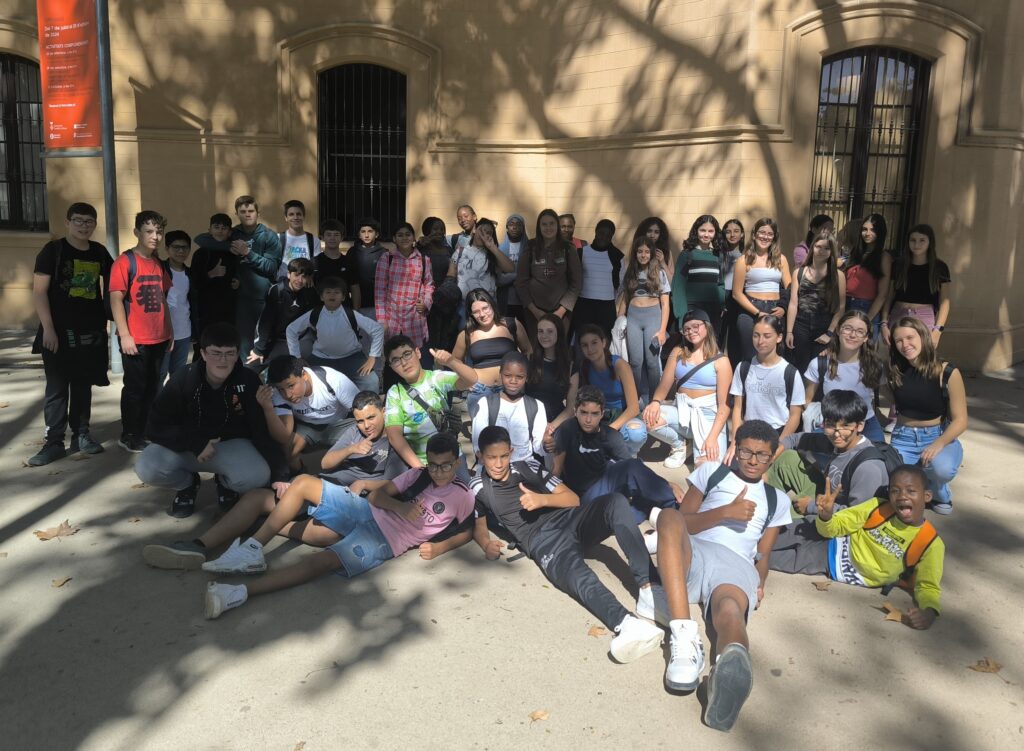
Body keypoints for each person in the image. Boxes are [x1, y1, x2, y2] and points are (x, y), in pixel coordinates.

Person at [197, 433, 475, 619]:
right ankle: (253, 549)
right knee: (303, 483)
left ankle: (239, 592)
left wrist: (439, 548)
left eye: (446, 466)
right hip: (367, 510)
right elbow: (377, 496)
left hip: (385, 541)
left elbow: (468, 530)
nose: (438, 472)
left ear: (457, 463)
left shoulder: (462, 495)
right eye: (433, 465)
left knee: (322, 562)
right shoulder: (418, 474)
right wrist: (400, 507)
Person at [471, 426, 665, 662]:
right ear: (480, 456)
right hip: (543, 542)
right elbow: (479, 522)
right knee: (578, 577)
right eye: (491, 457)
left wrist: (542, 500)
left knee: (615, 502)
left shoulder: (528, 467)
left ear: (511, 452)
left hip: (569, 520)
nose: (499, 464)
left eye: (503, 456)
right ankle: (627, 624)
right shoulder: (477, 486)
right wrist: (485, 544)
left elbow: (572, 499)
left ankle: (650, 589)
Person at [651, 420, 792, 731]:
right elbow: (682, 522)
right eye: (746, 452)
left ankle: (728, 674)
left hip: (736, 564)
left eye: (762, 455)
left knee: (729, 610)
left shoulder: (777, 500)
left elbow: (763, 554)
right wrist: (725, 513)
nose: (753, 460)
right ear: (735, 449)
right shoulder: (712, 472)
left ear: (772, 457)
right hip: (695, 551)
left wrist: (760, 583)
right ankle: (683, 634)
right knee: (669, 516)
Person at [135, 323, 288, 518]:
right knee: (147, 467)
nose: (223, 360)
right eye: (216, 353)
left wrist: (280, 474)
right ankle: (187, 485)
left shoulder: (248, 380)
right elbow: (154, 426)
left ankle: (225, 484)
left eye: (229, 353)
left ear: (237, 355)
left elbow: (260, 429)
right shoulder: (183, 378)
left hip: (230, 445)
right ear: (203, 353)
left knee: (257, 476)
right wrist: (195, 443)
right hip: (188, 446)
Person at [767, 465, 943, 630]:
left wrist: (929, 612)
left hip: (830, 563)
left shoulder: (929, 542)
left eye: (911, 491)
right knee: (773, 532)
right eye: (895, 491)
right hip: (829, 536)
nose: (902, 496)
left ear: (927, 496)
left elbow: (928, 586)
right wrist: (826, 517)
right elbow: (837, 526)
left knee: (766, 558)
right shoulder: (878, 507)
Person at [28, 202, 112, 466]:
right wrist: (48, 329)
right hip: (58, 333)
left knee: (83, 386)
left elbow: (115, 284)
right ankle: (53, 442)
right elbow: (39, 292)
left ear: (94, 225)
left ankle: (81, 435)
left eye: (89, 221)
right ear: (67, 222)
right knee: (57, 388)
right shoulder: (53, 251)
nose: (83, 226)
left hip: (90, 332)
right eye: (78, 220)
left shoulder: (99, 252)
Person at [551, 386, 678, 524]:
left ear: (602, 413)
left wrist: (667, 484)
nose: (588, 419)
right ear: (575, 411)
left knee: (632, 468)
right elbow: (556, 471)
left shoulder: (609, 435)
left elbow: (635, 470)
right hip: (581, 497)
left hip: (605, 487)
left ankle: (674, 508)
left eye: (594, 414)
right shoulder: (567, 429)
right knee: (616, 511)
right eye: (584, 412)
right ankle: (652, 512)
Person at [887, 317, 967, 514]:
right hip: (903, 437)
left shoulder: (946, 371)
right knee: (890, 477)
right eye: (899, 340)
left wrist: (938, 444)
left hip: (937, 436)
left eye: (910, 337)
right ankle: (922, 483)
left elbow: (961, 420)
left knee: (941, 469)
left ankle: (939, 491)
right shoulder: (893, 370)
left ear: (923, 336)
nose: (905, 344)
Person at [766, 390, 890, 517]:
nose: (837, 434)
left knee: (783, 522)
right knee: (786, 457)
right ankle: (769, 506)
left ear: (860, 426)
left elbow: (858, 516)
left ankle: (777, 517)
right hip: (826, 496)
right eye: (830, 425)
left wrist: (811, 506)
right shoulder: (836, 441)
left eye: (845, 426)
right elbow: (795, 439)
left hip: (840, 519)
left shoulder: (868, 467)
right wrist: (769, 459)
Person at [109, 210, 172, 453]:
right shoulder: (124, 262)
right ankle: (129, 435)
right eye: (149, 231)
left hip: (159, 337)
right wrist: (125, 335)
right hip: (135, 339)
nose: (155, 236)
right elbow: (116, 299)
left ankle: (146, 431)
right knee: (135, 389)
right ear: (137, 232)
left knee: (153, 387)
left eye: (159, 232)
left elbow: (164, 299)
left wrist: (170, 331)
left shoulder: (158, 263)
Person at [645, 309, 732, 468]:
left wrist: (712, 438)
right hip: (683, 413)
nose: (691, 331)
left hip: (709, 418)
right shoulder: (678, 352)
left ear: (707, 327)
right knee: (648, 419)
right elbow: (664, 385)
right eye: (686, 329)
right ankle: (681, 445)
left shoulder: (721, 361)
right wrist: (655, 402)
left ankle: (703, 445)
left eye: (695, 326)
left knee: (705, 469)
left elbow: (724, 406)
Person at [383, 335, 478, 475]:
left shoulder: (436, 378)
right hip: (423, 463)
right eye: (396, 360)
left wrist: (451, 361)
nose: (404, 363)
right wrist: (421, 469)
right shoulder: (395, 393)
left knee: (465, 490)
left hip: (452, 457)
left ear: (418, 352)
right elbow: (394, 436)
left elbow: (472, 379)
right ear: (391, 366)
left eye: (407, 354)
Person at [262, 355, 359, 473]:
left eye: (291, 386)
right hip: (307, 426)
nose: (287, 395)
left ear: (304, 375)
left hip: (339, 423)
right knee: (286, 448)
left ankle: (353, 474)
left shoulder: (332, 380)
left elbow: (364, 411)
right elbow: (283, 436)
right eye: (281, 389)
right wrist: (268, 409)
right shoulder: (277, 393)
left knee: (361, 439)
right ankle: (299, 475)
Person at [285, 276, 383, 393]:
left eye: (336, 292)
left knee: (371, 382)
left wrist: (373, 357)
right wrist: (296, 358)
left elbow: (377, 329)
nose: (332, 295)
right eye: (328, 292)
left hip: (352, 357)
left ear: (343, 297)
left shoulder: (350, 314)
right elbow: (291, 330)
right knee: (304, 382)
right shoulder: (314, 314)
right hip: (321, 358)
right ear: (321, 297)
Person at [803, 310, 886, 442]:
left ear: (866, 337)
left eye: (860, 331)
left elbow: (882, 396)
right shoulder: (819, 364)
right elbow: (807, 400)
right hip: (832, 426)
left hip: (866, 425)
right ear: (838, 330)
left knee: (880, 453)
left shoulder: (875, 366)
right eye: (848, 328)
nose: (852, 335)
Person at [452, 289, 532, 417]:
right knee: (482, 430)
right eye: (476, 312)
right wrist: (465, 381)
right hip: (479, 391)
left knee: (513, 428)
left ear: (492, 305)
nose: (482, 314)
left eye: (485, 308)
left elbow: (528, 351)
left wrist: (522, 378)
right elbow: (455, 360)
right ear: (471, 314)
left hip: (510, 389)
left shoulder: (511, 325)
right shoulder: (467, 333)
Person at [570, 325, 648, 456]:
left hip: (623, 415)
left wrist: (608, 431)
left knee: (636, 433)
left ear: (604, 342)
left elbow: (633, 408)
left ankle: (629, 456)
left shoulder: (619, 365)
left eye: (594, 343)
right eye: (585, 345)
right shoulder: (585, 367)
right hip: (599, 416)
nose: (590, 349)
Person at [728, 316, 804, 445]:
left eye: (767, 336)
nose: (760, 341)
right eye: (756, 335)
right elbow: (737, 408)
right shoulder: (743, 367)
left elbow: (795, 415)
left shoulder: (790, 373)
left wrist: (779, 445)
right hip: (749, 434)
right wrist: (736, 442)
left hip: (777, 435)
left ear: (779, 337)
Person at [224, 195, 283, 357]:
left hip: (263, 299)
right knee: (242, 345)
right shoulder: (232, 234)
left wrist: (248, 253)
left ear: (258, 213)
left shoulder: (269, 235)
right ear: (237, 214)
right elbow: (206, 241)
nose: (247, 214)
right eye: (243, 212)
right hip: (239, 300)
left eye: (251, 211)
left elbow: (272, 268)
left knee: (263, 343)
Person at [729, 217, 791, 364]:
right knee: (750, 356)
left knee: (775, 357)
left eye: (770, 234)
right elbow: (736, 294)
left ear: (774, 237)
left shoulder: (781, 259)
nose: (765, 237)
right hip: (750, 311)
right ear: (754, 234)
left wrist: (783, 307)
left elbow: (789, 287)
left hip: (775, 309)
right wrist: (757, 312)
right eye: (762, 232)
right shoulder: (743, 260)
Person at [617, 236, 670, 398]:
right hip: (633, 318)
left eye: (647, 251)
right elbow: (625, 299)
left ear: (651, 253)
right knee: (635, 362)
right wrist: (619, 319)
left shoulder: (659, 273)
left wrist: (662, 330)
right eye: (640, 251)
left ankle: (654, 400)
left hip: (653, 318)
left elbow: (665, 304)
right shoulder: (630, 273)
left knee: (652, 362)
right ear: (635, 253)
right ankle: (633, 398)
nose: (643, 255)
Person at [785, 230, 845, 373]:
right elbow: (793, 303)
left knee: (819, 370)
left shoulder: (838, 275)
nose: (821, 251)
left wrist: (829, 333)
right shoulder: (799, 272)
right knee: (799, 368)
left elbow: (841, 307)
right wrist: (789, 331)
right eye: (818, 246)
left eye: (826, 248)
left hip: (824, 326)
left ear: (832, 251)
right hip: (800, 325)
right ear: (812, 247)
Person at [883, 224, 951, 348]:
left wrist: (938, 330)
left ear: (930, 242)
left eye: (922, 240)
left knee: (921, 355)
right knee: (896, 353)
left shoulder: (939, 267)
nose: (916, 244)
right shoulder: (898, 265)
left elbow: (944, 302)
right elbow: (889, 296)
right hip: (898, 313)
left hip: (925, 316)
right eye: (913, 240)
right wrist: (883, 323)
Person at [516, 208, 582, 334]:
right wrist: (534, 310)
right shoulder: (530, 246)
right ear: (539, 227)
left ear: (557, 225)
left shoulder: (568, 248)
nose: (548, 228)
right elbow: (521, 282)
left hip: (562, 312)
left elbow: (576, 283)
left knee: (559, 345)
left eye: (552, 223)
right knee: (537, 344)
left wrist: (561, 312)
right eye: (544, 224)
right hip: (534, 312)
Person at [471, 352, 547, 462]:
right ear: (500, 374)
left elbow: (539, 448)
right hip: (493, 465)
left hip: (525, 465)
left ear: (526, 377)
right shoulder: (485, 404)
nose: (513, 381)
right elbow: (478, 444)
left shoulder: (536, 406)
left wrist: (546, 444)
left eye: (519, 377)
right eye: (507, 376)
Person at [247, 258, 319, 369]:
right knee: (252, 366)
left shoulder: (310, 293)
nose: (300, 280)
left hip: (299, 340)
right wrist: (259, 349)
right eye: (296, 275)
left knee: (309, 364)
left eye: (304, 277)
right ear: (289, 274)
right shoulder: (277, 291)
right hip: (277, 340)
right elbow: (266, 323)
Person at [374, 222, 434, 350]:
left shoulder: (424, 260)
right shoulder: (387, 259)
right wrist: (382, 321)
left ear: (413, 237)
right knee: (394, 357)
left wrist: (426, 302)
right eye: (400, 235)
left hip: (415, 321)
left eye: (408, 234)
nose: (404, 238)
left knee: (416, 356)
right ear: (394, 239)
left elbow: (429, 285)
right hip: (392, 321)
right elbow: (379, 291)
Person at [319, 391, 392, 486]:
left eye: (371, 418)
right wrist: (351, 449)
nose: (366, 426)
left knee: (303, 483)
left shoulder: (394, 438)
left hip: (354, 489)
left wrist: (363, 485)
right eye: (360, 421)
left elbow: (394, 484)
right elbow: (325, 464)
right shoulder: (355, 431)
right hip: (334, 480)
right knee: (301, 480)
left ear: (383, 412)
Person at [189, 213, 239, 347]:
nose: (220, 231)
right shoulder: (201, 253)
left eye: (224, 228)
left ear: (229, 232)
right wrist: (211, 274)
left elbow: (239, 275)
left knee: (226, 344)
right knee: (205, 346)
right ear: (210, 230)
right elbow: (194, 282)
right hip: (206, 310)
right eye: (216, 227)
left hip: (228, 309)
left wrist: (237, 282)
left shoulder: (234, 253)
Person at [672, 215, 727, 329]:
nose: (706, 235)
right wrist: (682, 316)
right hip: (692, 310)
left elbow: (720, 283)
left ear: (715, 233)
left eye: (710, 231)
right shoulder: (686, 255)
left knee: (712, 341)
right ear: (696, 231)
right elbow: (678, 287)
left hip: (713, 312)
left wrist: (721, 305)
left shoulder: (718, 256)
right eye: (702, 230)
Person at [573, 218, 623, 341]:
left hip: (606, 307)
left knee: (604, 340)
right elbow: (575, 278)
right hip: (584, 305)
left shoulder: (617, 256)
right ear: (595, 232)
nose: (604, 237)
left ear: (611, 237)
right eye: (601, 233)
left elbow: (621, 283)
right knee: (583, 339)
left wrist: (614, 300)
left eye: (608, 235)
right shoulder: (581, 252)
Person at [844, 213, 891, 338]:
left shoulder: (884, 257)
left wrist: (868, 320)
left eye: (873, 230)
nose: (867, 233)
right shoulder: (855, 253)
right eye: (865, 229)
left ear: (880, 232)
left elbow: (882, 294)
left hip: (867, 307)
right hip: (846, 305)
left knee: (864, 347)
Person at [159, 231, 196, 382]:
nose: (181, 251)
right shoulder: (159, 270)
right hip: (163, 333)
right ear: (167, 249)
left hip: (184, 332)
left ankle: (174, 398)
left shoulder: (190, 273)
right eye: (176, 247)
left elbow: (193, 303)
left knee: (178, 376)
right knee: (159, 375)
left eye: (184, 247)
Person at [453, 217, 514, 308]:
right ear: (474, 230)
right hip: (463, 306)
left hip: (488, 307)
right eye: (482, 231)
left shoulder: (493, 255)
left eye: (489, 233)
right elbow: (450, 275)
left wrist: (492, 247)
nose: (484, 235)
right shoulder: (460, 252)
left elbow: (510, 269)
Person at [526, 313, 573, 422]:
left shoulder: (570, 366)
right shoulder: (529, 361)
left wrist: (551, 427)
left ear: (559, 333)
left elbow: (570, 409)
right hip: (529, 420)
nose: (544, 335)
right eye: (540, 331)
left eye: (550, 331)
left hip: (555, 423)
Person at [350, 217, 388, 319]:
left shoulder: (384, 253)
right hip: (356, 303)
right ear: (359, 234)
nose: (366, 235)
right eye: (363, 232)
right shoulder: (352, 252)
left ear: (377, 234)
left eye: (370, 231)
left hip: (378, 305)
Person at [276, 199, 320, 281]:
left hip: (305, 283)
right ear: (286, 218)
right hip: (284, 283)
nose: (295, 217)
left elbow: (315, 267)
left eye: (298, 214)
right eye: (291, 214)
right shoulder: (278, 238)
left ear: (304, 216)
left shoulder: (314, 240)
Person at [719, 218, 745, 351]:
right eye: (728, 232)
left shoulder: (746, 256)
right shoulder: (719, 254)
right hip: (722, 296)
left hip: (738, 297)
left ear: (742, 234)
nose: (732, 235)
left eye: (736, 231)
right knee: (718, 336)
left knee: (735, 338)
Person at [497, 213, 528, 319]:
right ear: (507, 227)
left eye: (518, 224)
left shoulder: (530, 248)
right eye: (511, 224)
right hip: (506, 300)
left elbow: (532, 275)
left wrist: (509, 277)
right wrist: (518, 276)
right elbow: (499, 279)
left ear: (523, 228)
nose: (514, 227)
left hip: (525, 300)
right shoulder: (500, 249)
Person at [313, 219, 358, 294]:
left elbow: (355, 287)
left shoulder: (349, 262)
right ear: (322, 237)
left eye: (336, 235)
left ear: (342, 238)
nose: (332, 238)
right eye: (328, 235)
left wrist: (356, 302)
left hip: (344, 301)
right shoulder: (314, 262)